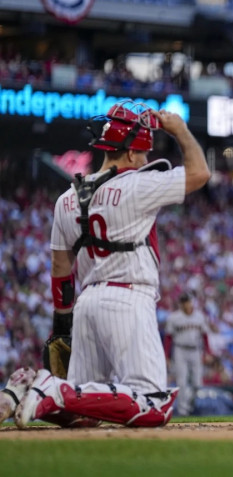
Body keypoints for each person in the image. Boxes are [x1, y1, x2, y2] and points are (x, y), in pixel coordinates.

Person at [12, 99, 210, 428]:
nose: (145, 159)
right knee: (153, 405)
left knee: (82, 417)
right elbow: (200, 173)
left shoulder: (67, 198)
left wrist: (63, 328)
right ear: (132, 154)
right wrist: (180, 130)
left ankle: (19, 391)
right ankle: (52, 391)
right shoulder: (138, 185)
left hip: (86, 305)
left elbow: (61, 272)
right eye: (143, 153)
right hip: (128, 299)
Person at [164, 292, 210, 416]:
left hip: (195, 350)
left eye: (187, 301)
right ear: (180, 303)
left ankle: (190, 405)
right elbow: (168, 338)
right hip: (180, 350)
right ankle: (183, 410)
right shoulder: (174, 317)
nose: (186, 304)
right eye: (183, 302)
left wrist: (208, 352)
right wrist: (167, 356)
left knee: (197, 383)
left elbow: (205, 335)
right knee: (182, 382)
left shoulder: (199, 316)